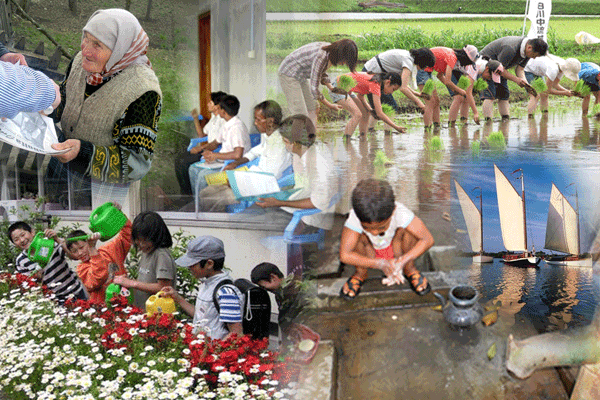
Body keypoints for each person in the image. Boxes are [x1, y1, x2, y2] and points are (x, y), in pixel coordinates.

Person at [50, 8, 162, 204]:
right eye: (85, 37)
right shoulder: (79, 61)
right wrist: (47, 102)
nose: (86, 50)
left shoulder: (143, 92)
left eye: (97, 45)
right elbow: (64, 103)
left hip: (102, 192)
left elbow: (135, 164)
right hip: (61, 171)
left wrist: (83, 152)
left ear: (120, 48)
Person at [338, 178, 435, 299]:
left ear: (393, 210)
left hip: (396, 249)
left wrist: (403, 260)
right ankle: (361, 273)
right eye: (367, 227)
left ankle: (409, 268)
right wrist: (379, 264)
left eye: (382, 227)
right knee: (356, 236)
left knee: (408, 231)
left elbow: (428, 239)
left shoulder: (400, 212)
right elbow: (345, 255)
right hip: (369, 253)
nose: (374, 232)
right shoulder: (355, 216)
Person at [198, 100, 292, 212]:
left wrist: (237, 180)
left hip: (261, 188)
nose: (255, 123)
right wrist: (235, 163)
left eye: (258, 119)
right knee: (205, 193)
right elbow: (254, 152)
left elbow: (269, 177)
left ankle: (220, 224)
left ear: (270, 121)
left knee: (210, 198)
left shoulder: (279, 145)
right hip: (251, 181)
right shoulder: (268, 136)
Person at [255, 114, 340, 231]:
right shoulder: (304, 150)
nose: (284, 145)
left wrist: (279, 202)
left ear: (294, 143)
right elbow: (299, 179)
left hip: (308, 219)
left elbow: (317, 203)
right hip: (296, 204)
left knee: (252, 223)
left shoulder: (318, 165)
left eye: (285, 141)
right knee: (255, 207)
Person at [161, 236, 243, 340]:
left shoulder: (226, 292)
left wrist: (215, 353)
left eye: (193, 264)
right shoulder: (207, 283)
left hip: (213, 352)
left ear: (209, 264)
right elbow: (201, 316)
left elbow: (236, 333)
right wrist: (178, 298)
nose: (189, 267)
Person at [278, 39, 358, 126]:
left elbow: (321, 72)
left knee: (314, 108)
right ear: (341, 54)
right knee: (301, 115)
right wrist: (330, 105)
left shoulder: (330, 53)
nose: (343, 64)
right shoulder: (322, 56)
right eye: (345, 60)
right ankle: (290, 138)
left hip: (301, 76)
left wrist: (331, 87)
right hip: (289, 74)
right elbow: (314, 89)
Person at [66, 204, 132, 304]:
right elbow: (97, 279)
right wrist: (92, 249)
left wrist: (117, 214)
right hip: (102, 312)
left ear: (87, 242)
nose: (80, 253)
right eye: (74, 251)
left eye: (81, 247)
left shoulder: (109, 250)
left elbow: (127, 234)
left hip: (125, 303)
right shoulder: (81, 269)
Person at [8, 221, 88, 303]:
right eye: (16, 239)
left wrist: (57, 239)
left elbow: (73, 257)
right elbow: (29, 285)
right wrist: (38, 277)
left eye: (23, 235)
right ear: (14, 244)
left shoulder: (48, 243)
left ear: (32, 232)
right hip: (55, 300)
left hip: (76, 291)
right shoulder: (21, 261)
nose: (22, 240)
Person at [188, 94, 251, 196]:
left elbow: (237, 155)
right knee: (193, 169)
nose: (217, 109)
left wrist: (215, 156)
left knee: (202, 177)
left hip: (234, 164)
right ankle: (198, 203)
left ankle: (204, 207)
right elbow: (215, 143)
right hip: (221, 161)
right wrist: (205, 151)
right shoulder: (227, 124)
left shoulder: (237, 128)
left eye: (219, 107)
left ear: (223, 111)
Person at [112, 211, 176, 309]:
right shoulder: (147, 252)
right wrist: (126, 281)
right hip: (143, 312)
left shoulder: (161, 255)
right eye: (138, 239)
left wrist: (132, 283)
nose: (142, 244)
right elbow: (146, 281)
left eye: (145, 240)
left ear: (157, 236)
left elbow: (164, 288)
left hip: (157, 315)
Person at [479, 36, 548, 120]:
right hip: (485, 68)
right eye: (534, 55)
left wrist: (525, 83)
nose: (533, 58)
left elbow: (520, 69)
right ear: (529, 47)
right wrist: (516, 80)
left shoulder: (527, 52)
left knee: (504, 94)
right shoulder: (510, 48)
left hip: (501, 68)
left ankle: (505, 120)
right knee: (490, 95)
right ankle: (488, 122)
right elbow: (500, 69)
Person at [174, 91, 227, 196]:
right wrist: (195, 118)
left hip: (215, 150)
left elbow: (217, 142)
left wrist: (199, 148)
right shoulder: (213, 119)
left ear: (217, 106)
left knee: (184, 162)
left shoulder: (223, 120)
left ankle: (188, 195)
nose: (208, 104)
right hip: (207, 148)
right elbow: (201, 135)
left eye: (210, 102)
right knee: (179, 160)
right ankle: (186, 193)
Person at [416, 46, 477, 128]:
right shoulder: (452, 58)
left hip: (427, 70)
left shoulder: (451, 57)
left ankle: (436, 127)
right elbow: (448, 81)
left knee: (436, 101)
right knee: (430, 101)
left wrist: (453, 88)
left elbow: (440, 75)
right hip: (422, 68)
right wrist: (459, 90)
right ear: (465, 59)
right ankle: (427, 129)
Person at [330, 72, 407, 137]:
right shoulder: (376, 84)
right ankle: (347, 140)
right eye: (393, 89)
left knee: (366, 113)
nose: (391, 92)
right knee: (357, 114)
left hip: (347, 90)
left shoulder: (376, 80)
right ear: (388, 82)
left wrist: (370, 110)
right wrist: (396, 127)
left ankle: (362, 137)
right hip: (337, 87)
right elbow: (380, 113)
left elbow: (360, 97)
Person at [362, 48, 436, 114]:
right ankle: (384, 129)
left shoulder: (408, 57)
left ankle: (373, 129)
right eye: (425, 66)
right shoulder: (408, 61)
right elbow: (403, 88)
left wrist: (417, 94)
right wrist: (419, 103)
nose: (423, 69)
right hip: (371, 74)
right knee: (390, 106)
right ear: (422, 61)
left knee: (380, 107)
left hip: (376, 74)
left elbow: (403, 84)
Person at [446, 45, 481, 125]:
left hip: (458, 70)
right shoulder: (472, 68)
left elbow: (468, 93)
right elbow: (468, 92)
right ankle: (451, 125)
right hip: (451, 70)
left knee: (465, 98)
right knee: (458, 97)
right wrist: (475, 112)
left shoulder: (474, 66)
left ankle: (463, 123)